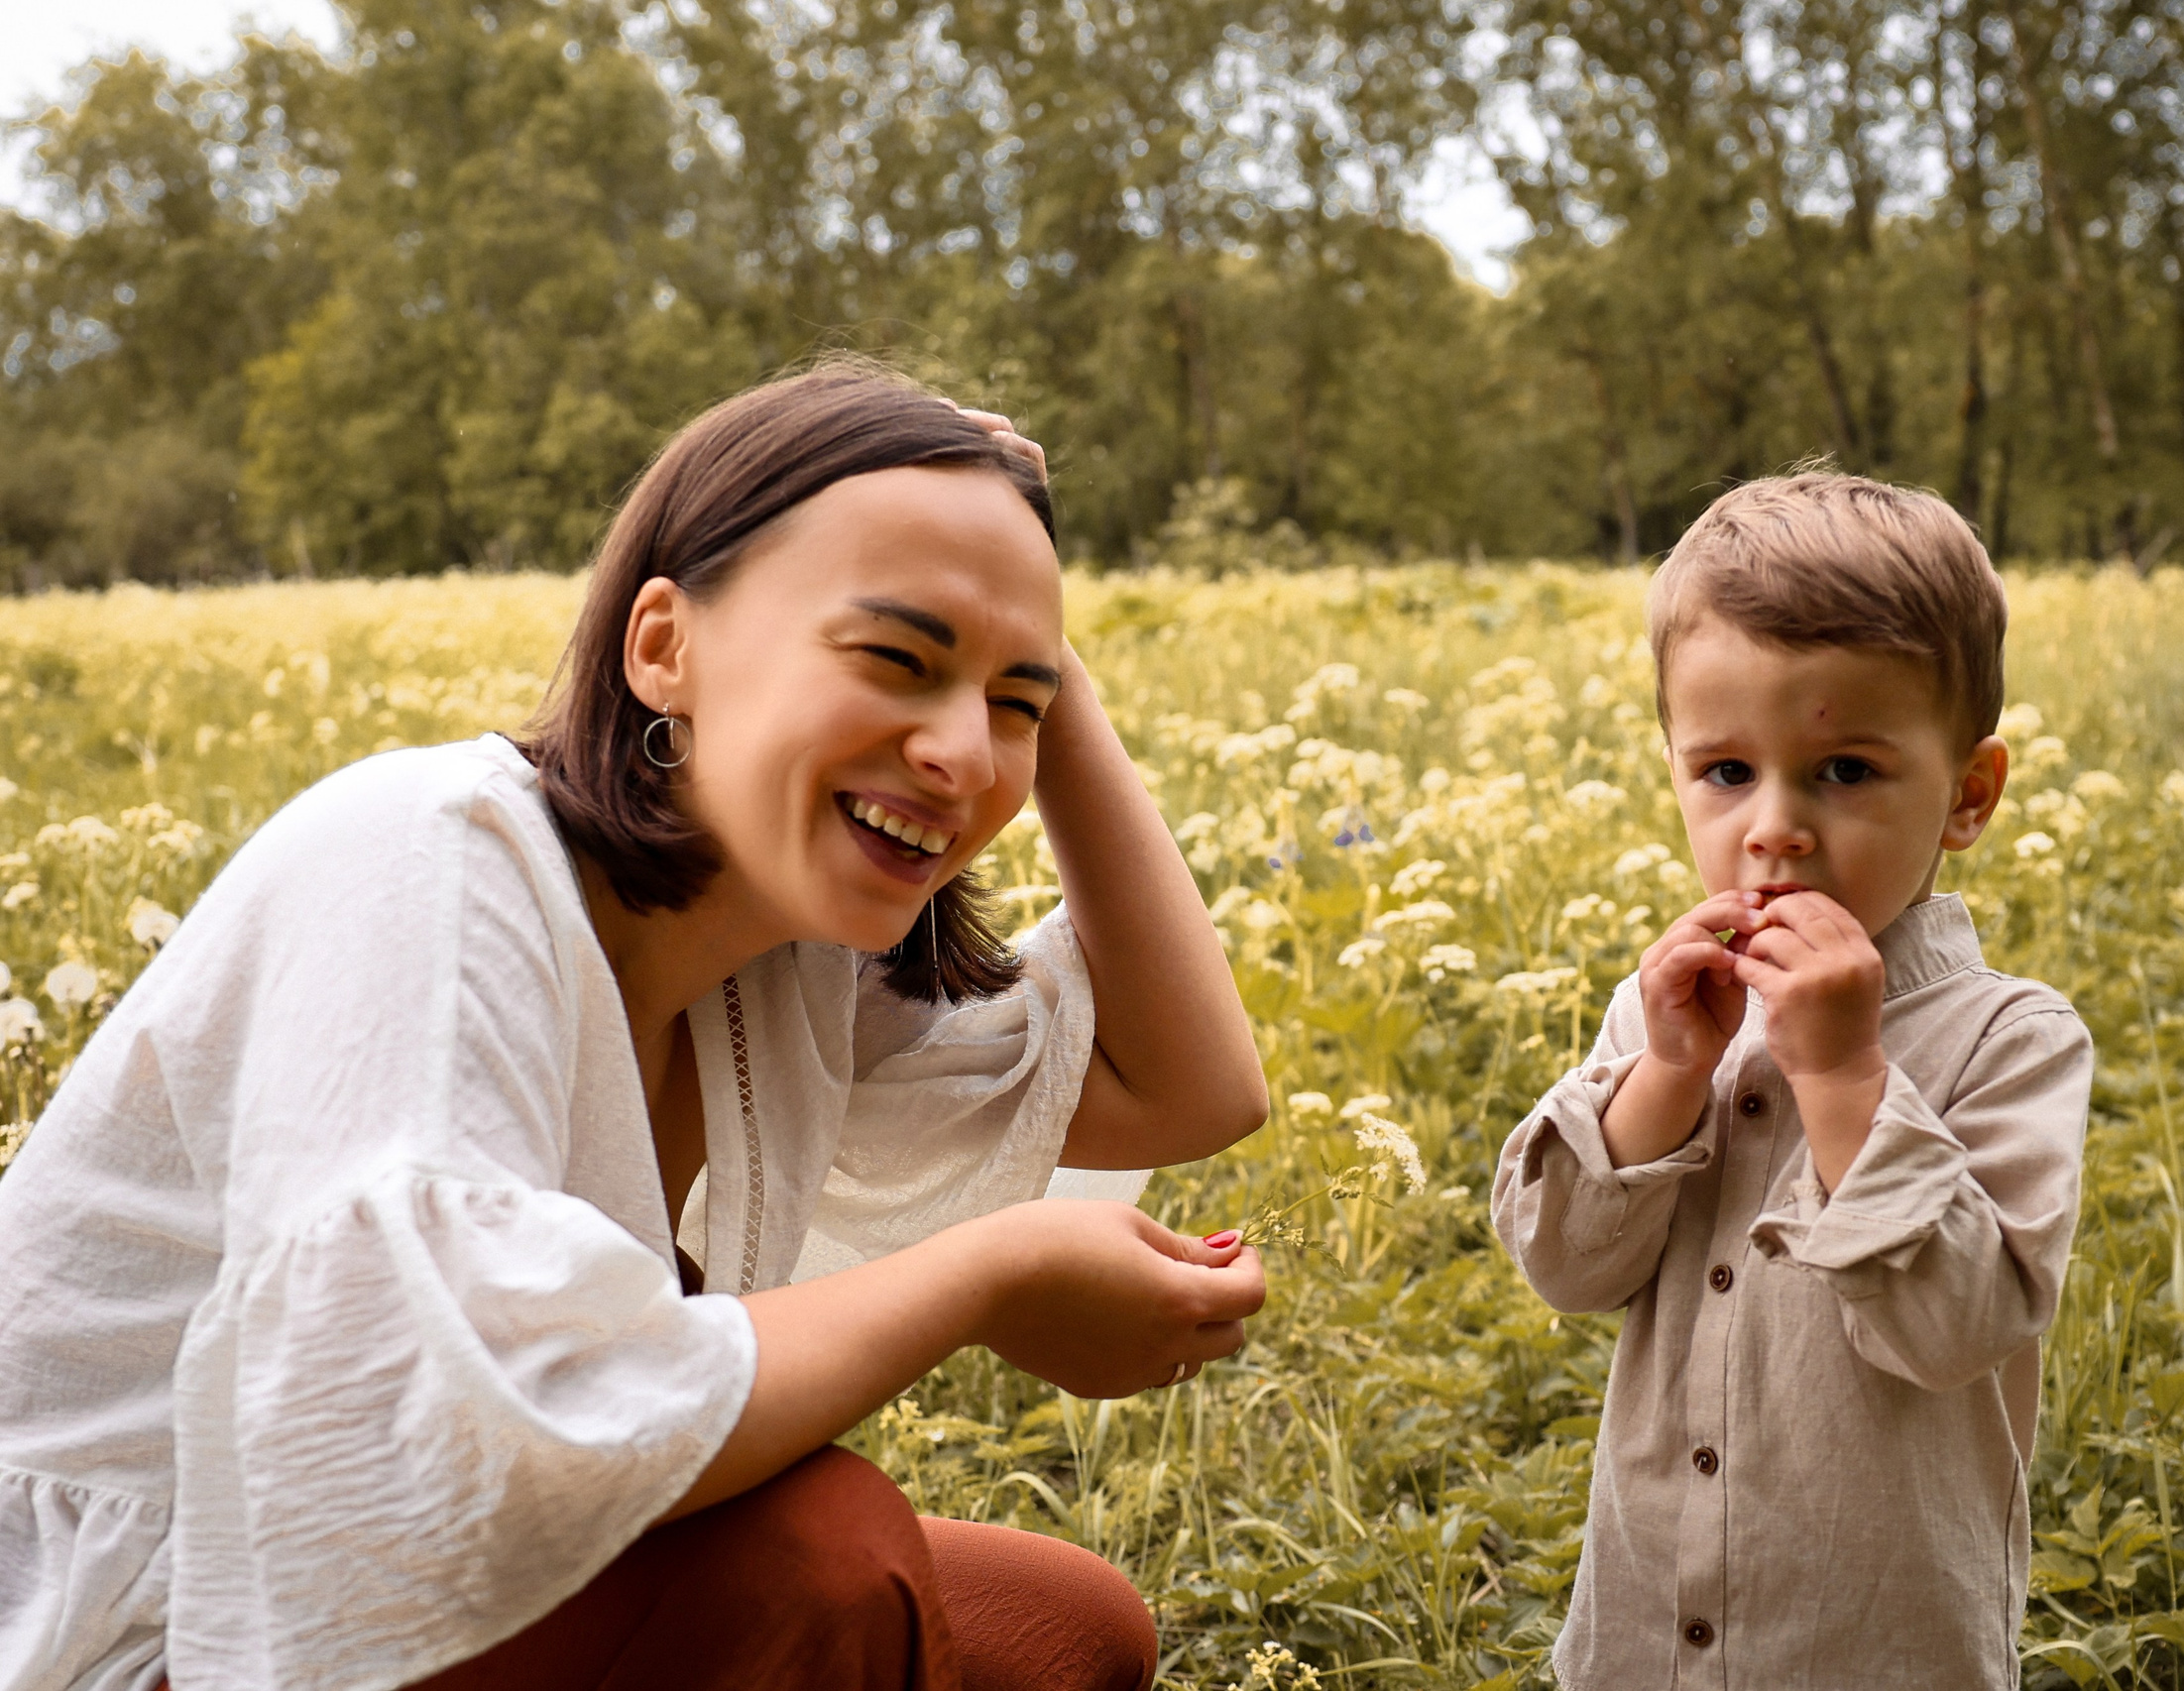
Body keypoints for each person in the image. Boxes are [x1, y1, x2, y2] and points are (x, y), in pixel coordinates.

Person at [0, 365, 1271, 1691]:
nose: (964, 752)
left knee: (1065, 1630)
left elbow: (1189, 1085)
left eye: (1015, 704)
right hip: (164, 1623)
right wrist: (987, 1274)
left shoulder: (774, 963)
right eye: (899, 656)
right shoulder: (430, 857)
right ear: (663, 646)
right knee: (827, 1564)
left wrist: (1025, 621)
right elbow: (433, 1445)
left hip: (378, 1574)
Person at [1490, 472, 2094, 1687]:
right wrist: (1665, 1071)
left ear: (1968, 794)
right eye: (1724, 771)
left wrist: (1842, 1071)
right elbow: (1565, 1263)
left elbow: (1952, 1327)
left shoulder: (2010, 1037)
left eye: (1847, 770)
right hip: (1645, 1637)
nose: (1774, 827)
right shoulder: (1669, 1010)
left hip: (1876, 1643)